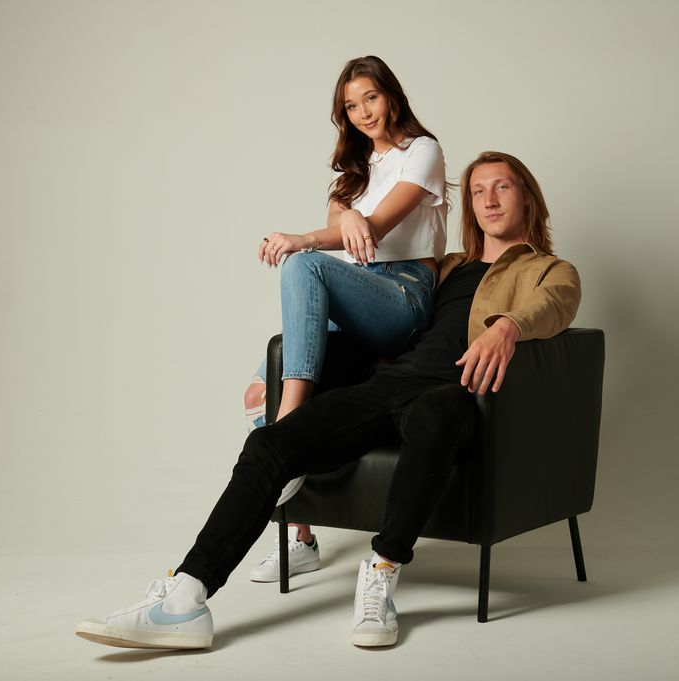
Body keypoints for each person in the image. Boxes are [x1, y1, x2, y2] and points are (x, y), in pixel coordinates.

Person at [76, 151, 581, 650]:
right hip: (389, 383)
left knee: (438, 411)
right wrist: (269, 366)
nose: (488, 198)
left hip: (454, 396)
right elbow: (374, 313)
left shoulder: (549, 270)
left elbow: (556, 306)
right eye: (477, 190)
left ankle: (382, 572)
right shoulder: (447, 268)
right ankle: (186, 598)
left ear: (527, 197)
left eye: (502, 186)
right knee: (271, 445)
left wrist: (509, 326)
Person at [244, 55, 447, 582]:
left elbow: (375, 227)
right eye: (350, 106)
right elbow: (345, 231)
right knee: (257, 386)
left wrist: (335, 226)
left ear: (392, 97)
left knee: (303, 260)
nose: (362, 113)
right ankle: (301, 538)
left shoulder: (422, 152)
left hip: (404, 293)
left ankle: (283, 435)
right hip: (362, 291)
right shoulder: (351, 173)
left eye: (370, 99)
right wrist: (346, 214)